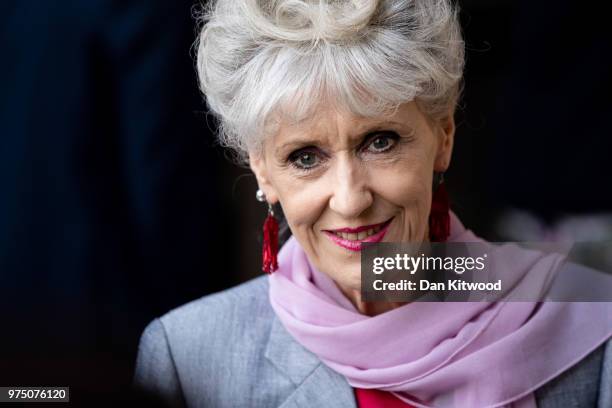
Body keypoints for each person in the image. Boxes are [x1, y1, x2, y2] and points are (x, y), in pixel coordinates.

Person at [133, 0, 612, 407]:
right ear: (262, 170)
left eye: (379, 142)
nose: (350, 198)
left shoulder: (592, 326)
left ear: (443, 136)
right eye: (304, 157)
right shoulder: (186, 357)